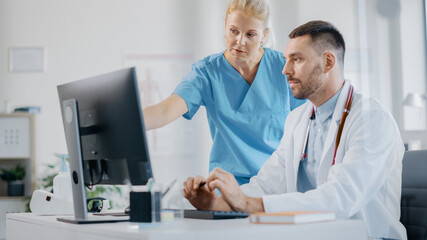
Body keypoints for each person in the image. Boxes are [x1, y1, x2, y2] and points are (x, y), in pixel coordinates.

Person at [183, 20, 406, 240]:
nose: (285, 70)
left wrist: (245, 203)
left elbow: (339, 199)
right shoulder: (298, 119)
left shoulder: (371, 119)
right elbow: (267, 185)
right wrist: (218, 203)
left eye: (296, 60)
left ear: (328, 62)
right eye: (286, 60)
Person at [143, 0, 305, 185]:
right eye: (233, 31)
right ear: (225, 27)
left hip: (276, 183)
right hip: (227, 185)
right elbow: (164, 111)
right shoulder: (207, 72)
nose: (239, 41)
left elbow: (308, 121)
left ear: (264, 35)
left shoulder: (283, 67)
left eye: (250, 34)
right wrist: (117, 123)